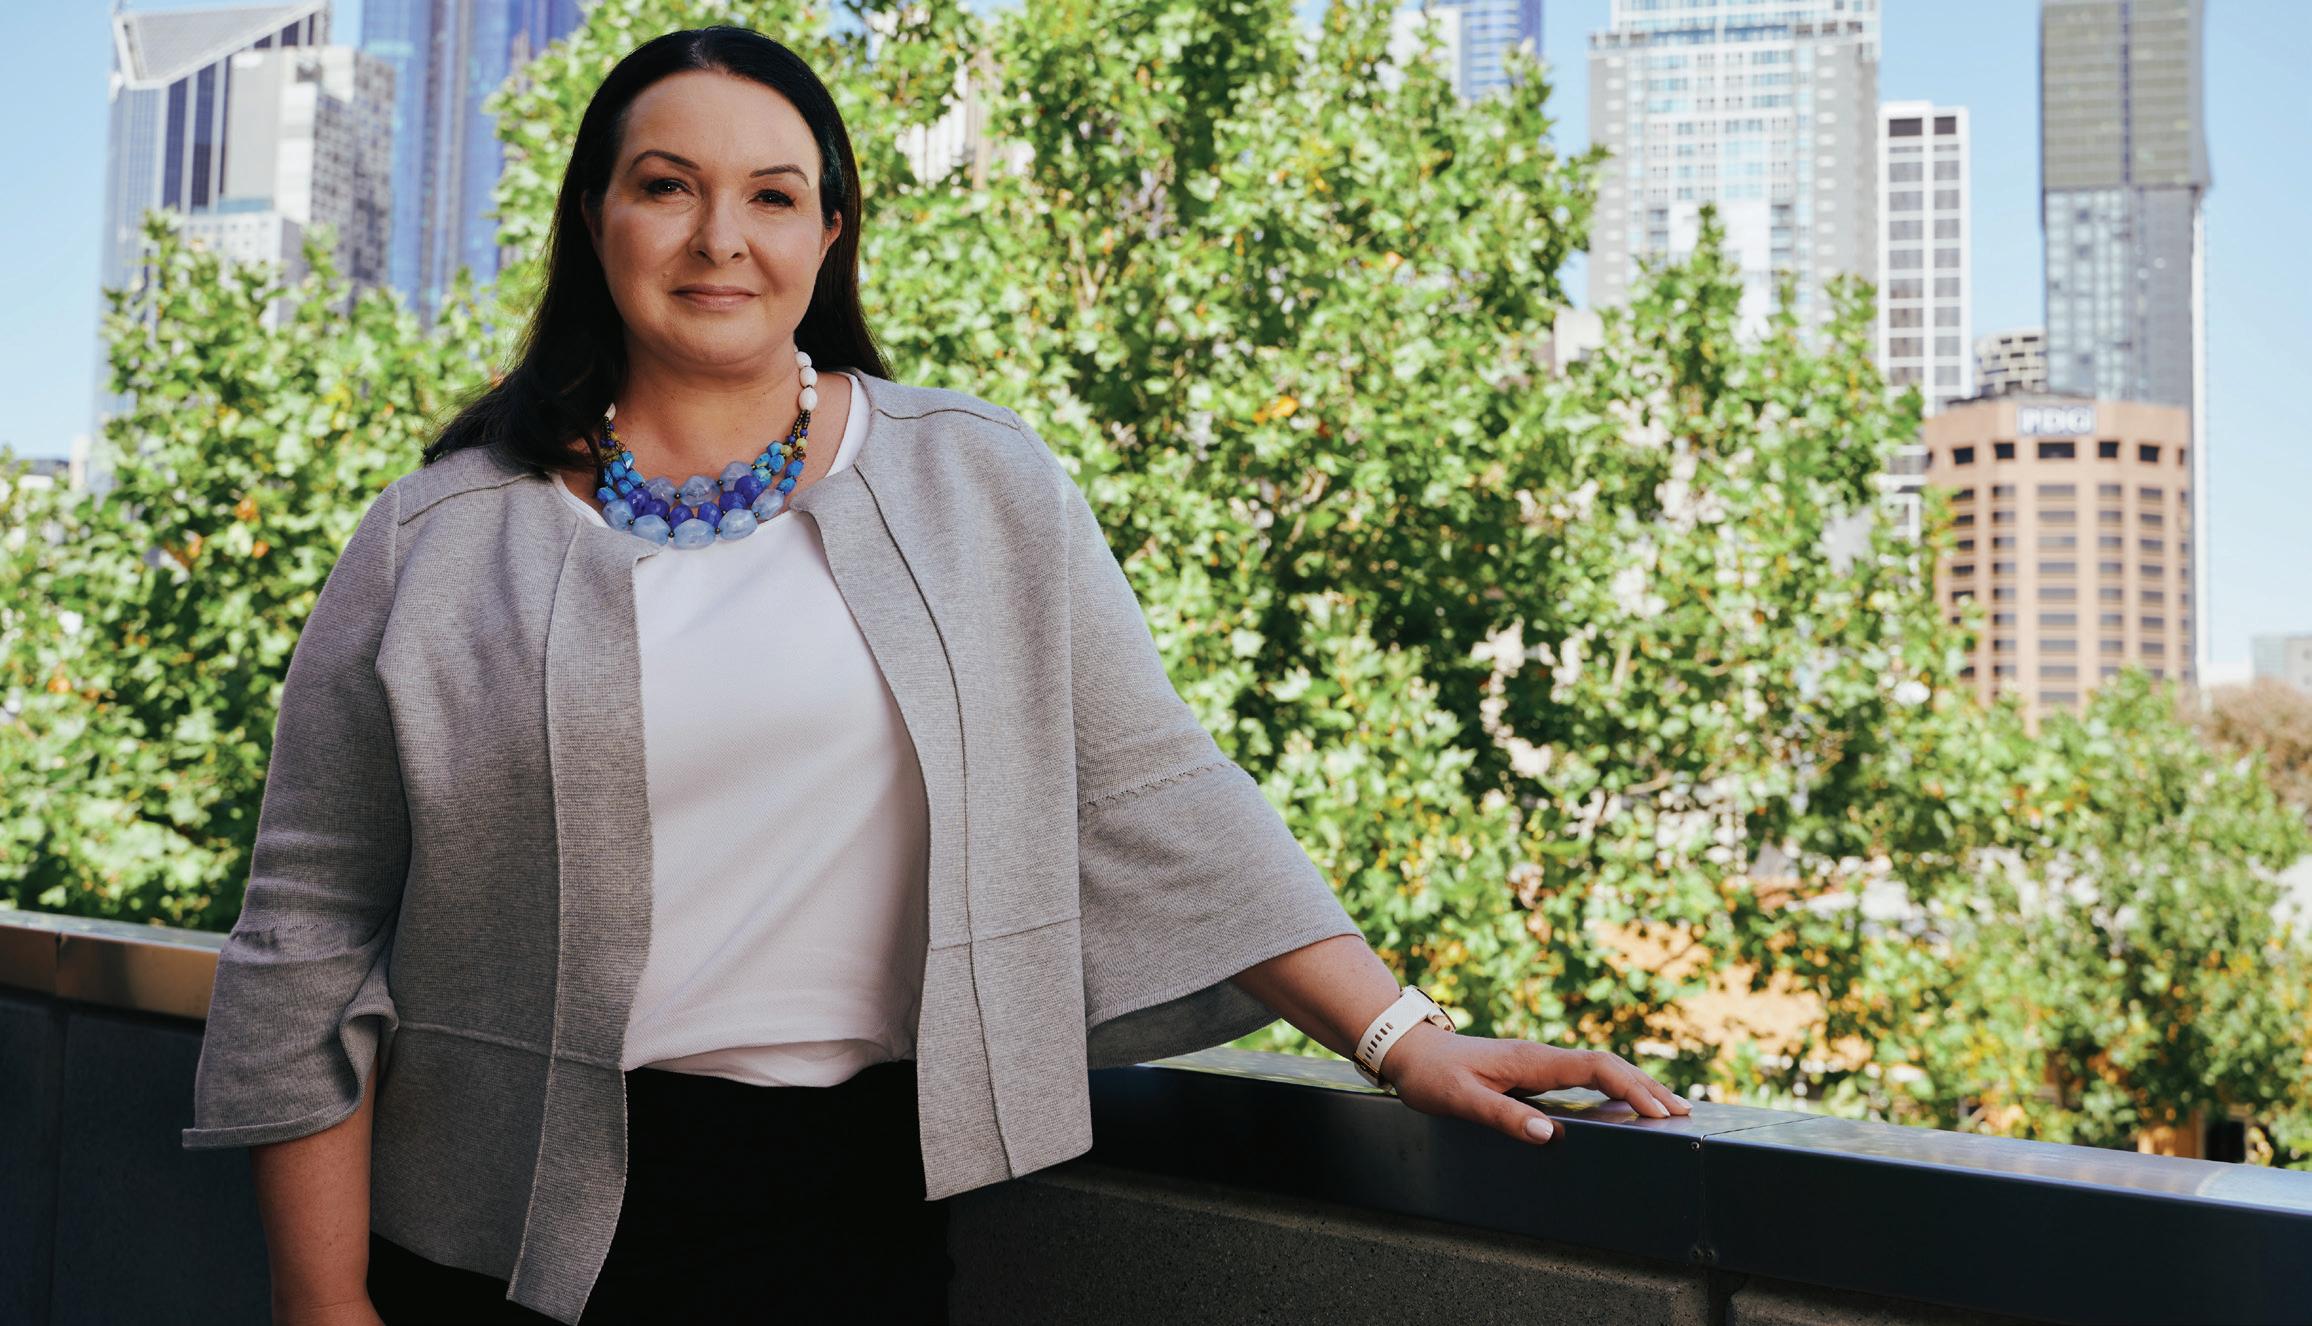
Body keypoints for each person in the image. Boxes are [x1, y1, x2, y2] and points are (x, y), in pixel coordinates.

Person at [180, 24, 1688, 1326]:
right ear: (596, 217)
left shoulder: (979, 481)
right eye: (667, 186)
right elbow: (306, 930)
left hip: (852, 1211)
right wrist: (321, 1303)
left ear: (832, 233)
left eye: (775, 195)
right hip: (490, 1233)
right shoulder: (436, 537)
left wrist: (1401, 1037)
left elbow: (1156, 789)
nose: (720, 239)